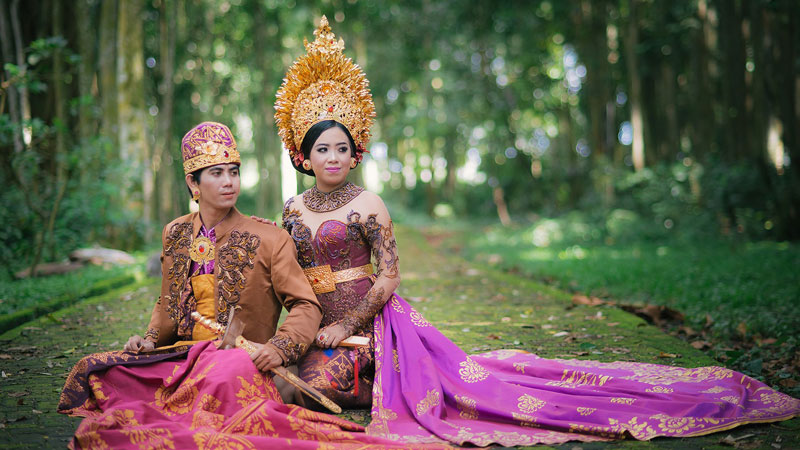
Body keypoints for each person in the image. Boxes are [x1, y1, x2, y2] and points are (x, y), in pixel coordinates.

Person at [271, 16, 800, 447]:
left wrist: (347, 327)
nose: (334, 157)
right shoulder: (292, 209)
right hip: (311, 327)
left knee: (308, 392)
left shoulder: (369, 204)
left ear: (355, 149)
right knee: (272, 382)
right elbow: (281, 274)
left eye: (342, 147)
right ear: (304, 154)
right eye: (323, 148)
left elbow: (389, 277)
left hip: (372, 334)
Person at [58, 122, 420, 449]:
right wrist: (150, 339)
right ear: (192, 183)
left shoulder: (270, 236)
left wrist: (281, 347)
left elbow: (307, 304)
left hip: (244, 356)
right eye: (217, 173)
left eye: (234, 172)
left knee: (223, 376)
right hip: (184, 354)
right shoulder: (177, 232)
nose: (229, 181)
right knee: (99, 368)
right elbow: (167, 302)